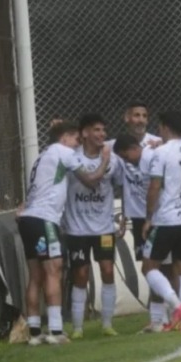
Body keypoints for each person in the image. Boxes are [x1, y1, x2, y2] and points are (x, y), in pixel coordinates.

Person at [18, 120, 111, 346]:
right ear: (64, 138)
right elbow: (90, 180)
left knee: (35, 275)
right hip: (44, 219)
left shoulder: (43, 155)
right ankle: (56, 330)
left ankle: (33, 332)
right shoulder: (63, 152)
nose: (77, 145)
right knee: (54, 270)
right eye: (75, 140)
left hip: (28, 219)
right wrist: (105, 160)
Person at [113, 101, 177, 333]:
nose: (140, 119)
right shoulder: (115, 146)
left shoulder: (157, 144)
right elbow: (119, 179)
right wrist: (124, 215)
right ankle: (160, 319)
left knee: (163, 268)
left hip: (160, 216)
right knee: (151, 268)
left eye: (144, 115)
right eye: (136, 115)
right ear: (126, 118)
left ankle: (170, 315)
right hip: (140, 218)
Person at [63, 113, 122, 339]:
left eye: (104, 131)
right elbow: (91, 179)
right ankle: (78, 328)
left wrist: (123, 215)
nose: (102, 135)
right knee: (81, 273)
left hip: (104, 227)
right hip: (77, 228)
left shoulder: (113, 160)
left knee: (108, 270)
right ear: (85, 133)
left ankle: (107, 324)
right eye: (96, 130)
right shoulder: (72, 158)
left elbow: (120, 184)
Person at [141, 110, 181, 331]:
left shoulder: (161, 153)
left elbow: (154, 186)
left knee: (148, 267)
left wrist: (148, 218)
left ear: (164, 127)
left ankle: (177, 307)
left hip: (167, 219)